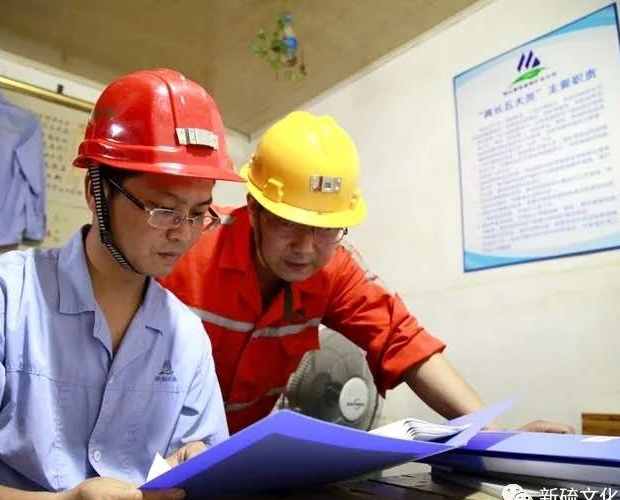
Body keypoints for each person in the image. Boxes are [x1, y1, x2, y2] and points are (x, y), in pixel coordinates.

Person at [0, 68, 243, 500]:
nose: (183, 234)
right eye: (163, 210)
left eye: (199, 214)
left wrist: (192, 462)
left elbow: (197, 467)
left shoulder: (186, 335)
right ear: (96, 193)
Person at [161, 111, 574, 435]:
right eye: (287, 223)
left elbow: (403, 341)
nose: (305, 248)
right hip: (150, 455)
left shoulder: (335, 269)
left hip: (230, 461)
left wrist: (496, 439)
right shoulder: (185, 245)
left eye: (326, 229)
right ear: (254, 209)